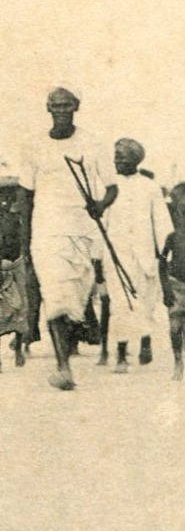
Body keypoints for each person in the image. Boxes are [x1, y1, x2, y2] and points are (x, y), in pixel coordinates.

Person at [18, 86, 116, 391]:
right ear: (48, 109)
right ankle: (63, 366)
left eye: (66, 105)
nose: (60, 110)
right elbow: (25, 195)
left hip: (84, 233)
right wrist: (25, 244)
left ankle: (69, 350)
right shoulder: (33, 146)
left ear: (76, 107)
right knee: (55, 295)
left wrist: (100, 205)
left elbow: (111, 187)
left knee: (74, 304)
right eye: (55, 105)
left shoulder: (93, 143)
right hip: (47, 232)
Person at [103, 138, 171, 374]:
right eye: (116, 155)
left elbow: (161, 222)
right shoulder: (107, 186)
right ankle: (121, 355)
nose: (117, 159)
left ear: (136, 158)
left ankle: (145, 341)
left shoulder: (149, 187)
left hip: (144, 255)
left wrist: (165, 254)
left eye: (122, 155)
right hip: (117, 255)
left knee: (145, 303)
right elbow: (101, 220)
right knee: (120, 304)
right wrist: (97, 255)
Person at [0, 176, 32, 370]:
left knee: (21, 307)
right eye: (1, 198)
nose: (5, 202)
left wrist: (25, 256)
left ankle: (18, 351)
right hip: (1, 265)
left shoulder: (18, 218)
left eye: (9, 198)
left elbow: (24, 239)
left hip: (18, 263)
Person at [161, 183, 185, 381]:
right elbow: (162, 262)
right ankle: (178, 361)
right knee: (175, 327)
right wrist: (166, 289)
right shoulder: (172, 235)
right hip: (176, 285)